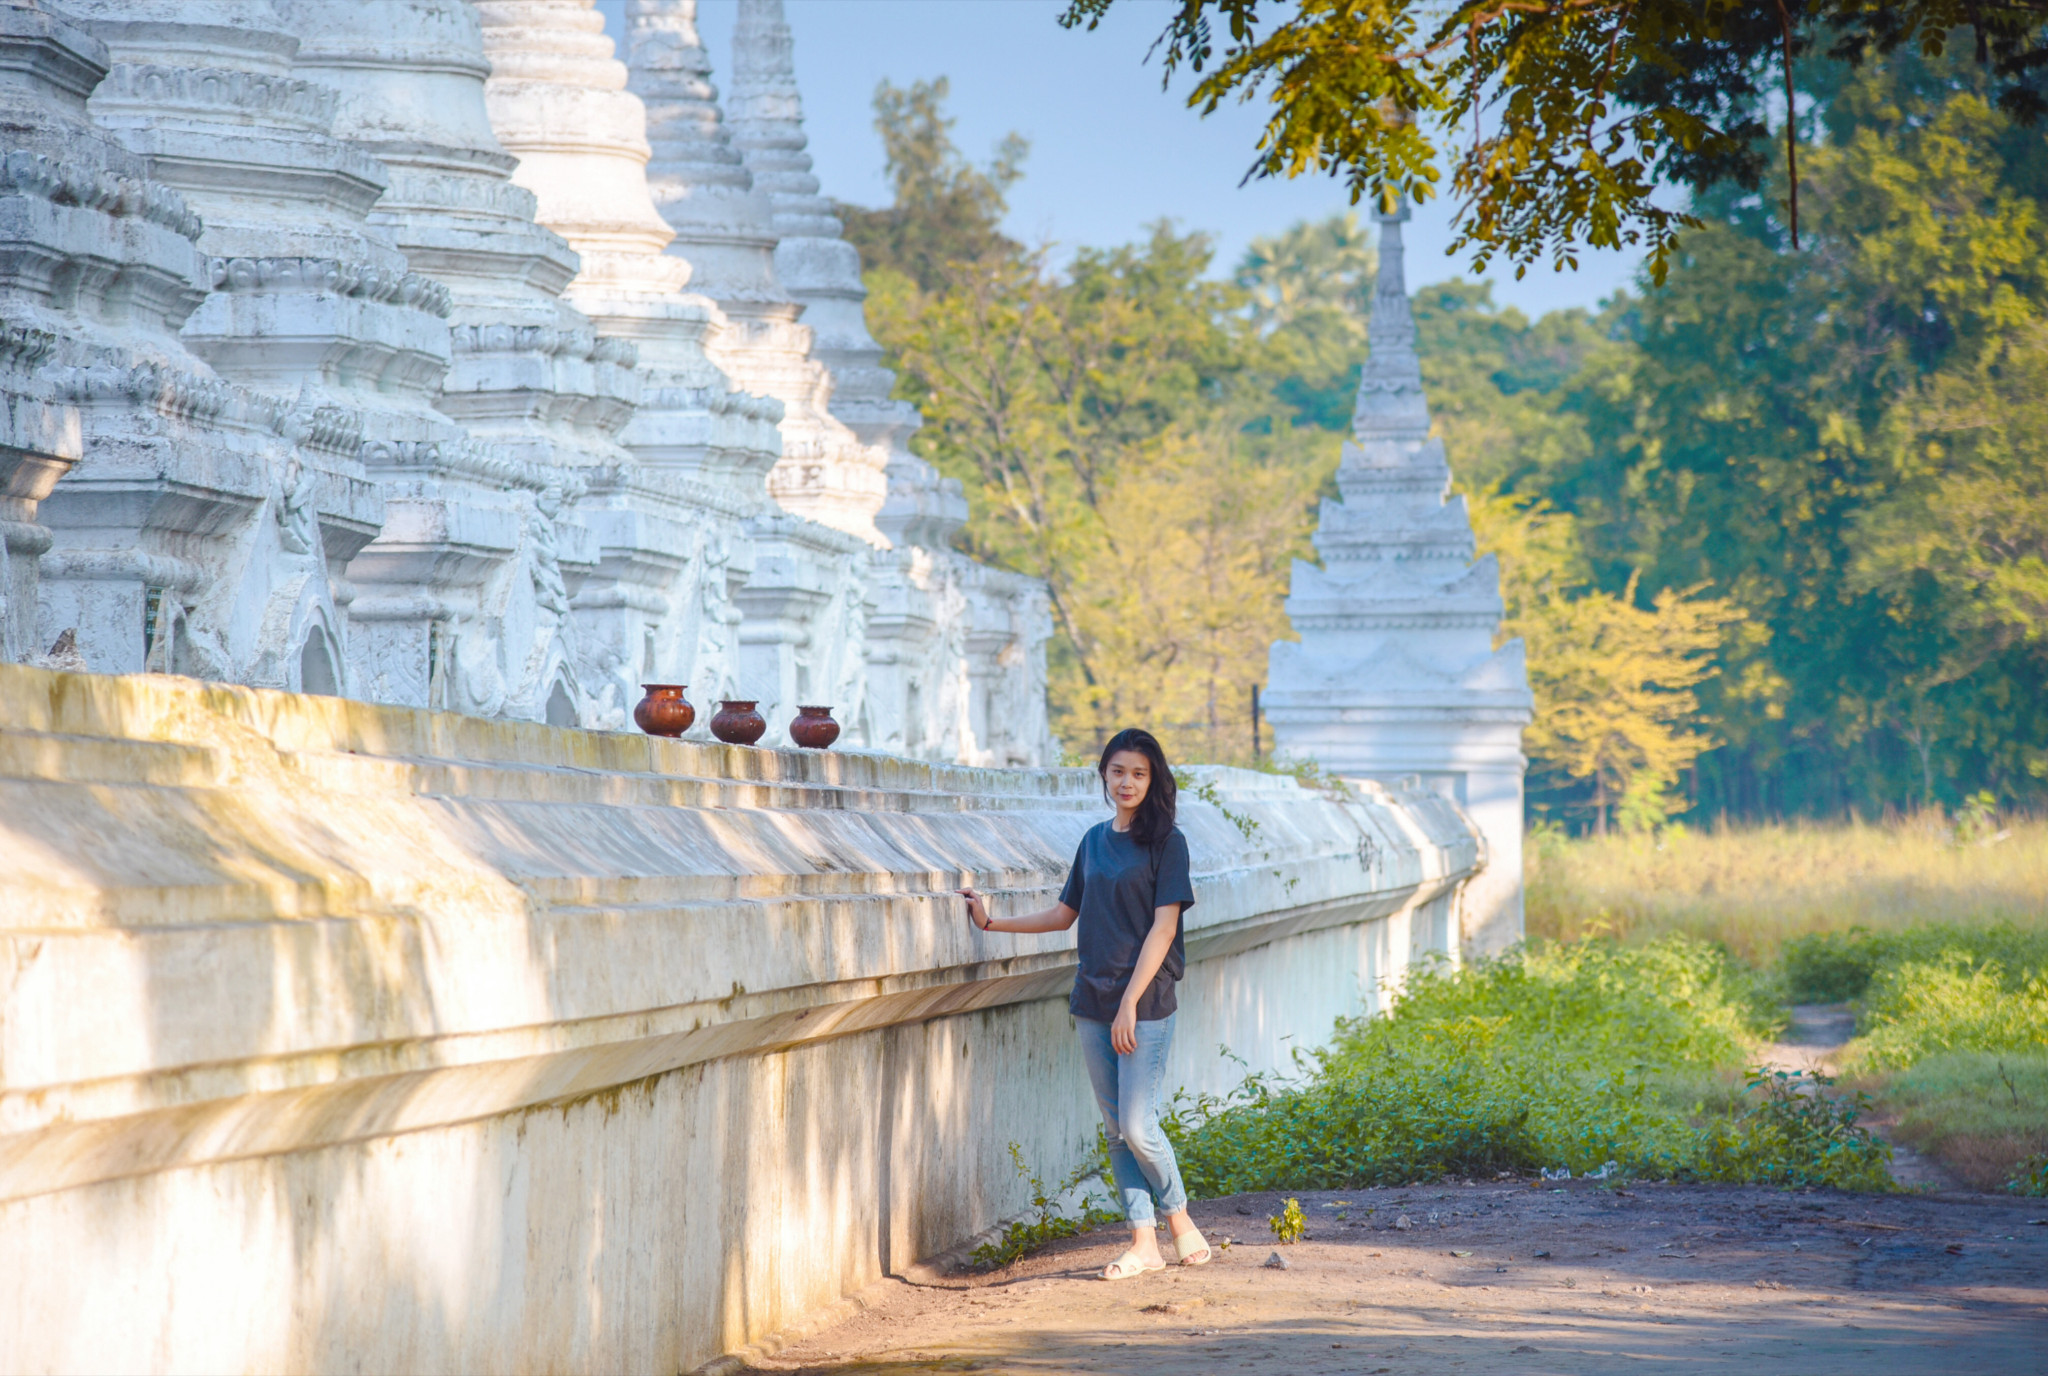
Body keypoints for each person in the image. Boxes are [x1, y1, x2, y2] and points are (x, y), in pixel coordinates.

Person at [958, 727, 1212, 1280]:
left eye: (1139, 773)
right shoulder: (1094, 840)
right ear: (1104, 775)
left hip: (1143, 1005)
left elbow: (1163, 929)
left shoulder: (1169, 843)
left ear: (1154, 779)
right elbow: (1062, 914)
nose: (1127, 782)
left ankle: (1179, 1218)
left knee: (1140, 1126)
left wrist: (1129, 1004)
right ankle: (1142, 1242)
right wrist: (991, 920)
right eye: (1118, 771)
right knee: (1117, 1130)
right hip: (1092, 999)